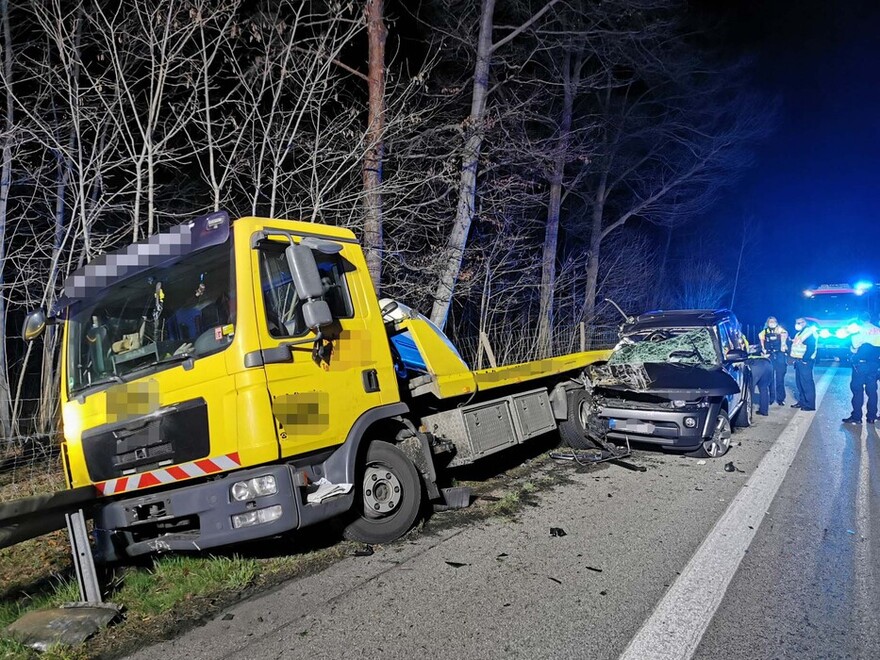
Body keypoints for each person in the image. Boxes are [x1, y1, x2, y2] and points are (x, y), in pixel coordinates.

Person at [842, 311, 880, 424]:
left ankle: (857, 417)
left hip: (860, 365)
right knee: (872, 391)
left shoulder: (858, 331)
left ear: (859, 320)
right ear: (869, 319)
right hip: (875, 364)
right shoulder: (878, 330)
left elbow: (854, 347)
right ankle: (872, 416)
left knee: (857, 390)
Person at [758, 316, 789, 405]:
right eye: (770, 321)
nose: (772, 323)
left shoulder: (781, 330)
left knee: (780, 378)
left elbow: (785, 338)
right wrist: (763, 351)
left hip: (780, 356)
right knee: (770, 379)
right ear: (767, 323)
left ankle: (780, 399)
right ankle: (771, 398)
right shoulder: (764, 332)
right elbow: (761, 343)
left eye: (774, 321)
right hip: (769, 356)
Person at [789, 317, 817, 411]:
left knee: (807, 383)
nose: (798, 324)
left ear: (805, 323)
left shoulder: (808, 332)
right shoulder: (799, 333)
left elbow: (811, 347)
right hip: (799, 361)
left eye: (800, 322)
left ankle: (809, 405)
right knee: (800, 383)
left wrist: (805, 359)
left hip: (805, 361)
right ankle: (802, 402)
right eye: (797, 322)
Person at [747, 344, 773, 416]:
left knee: (750, 389)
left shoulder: (743, 339)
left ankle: (748, 413)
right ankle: (764, 411)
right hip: (767, 363)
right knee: (764, 388)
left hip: (755, 364)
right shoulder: (761, 341)